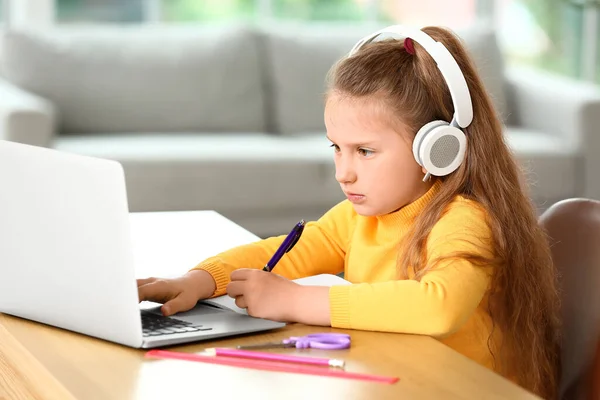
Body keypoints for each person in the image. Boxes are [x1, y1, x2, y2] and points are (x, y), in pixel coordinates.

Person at [137, 25, 560, 399]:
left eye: (365, 151)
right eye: (336, 147)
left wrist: (298, 301)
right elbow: (286, 254)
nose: (344, 172)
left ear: (438, 148)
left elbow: (439, 307)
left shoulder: (464, 219)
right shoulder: (360, 217)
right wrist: (201, 279)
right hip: (400, 376)